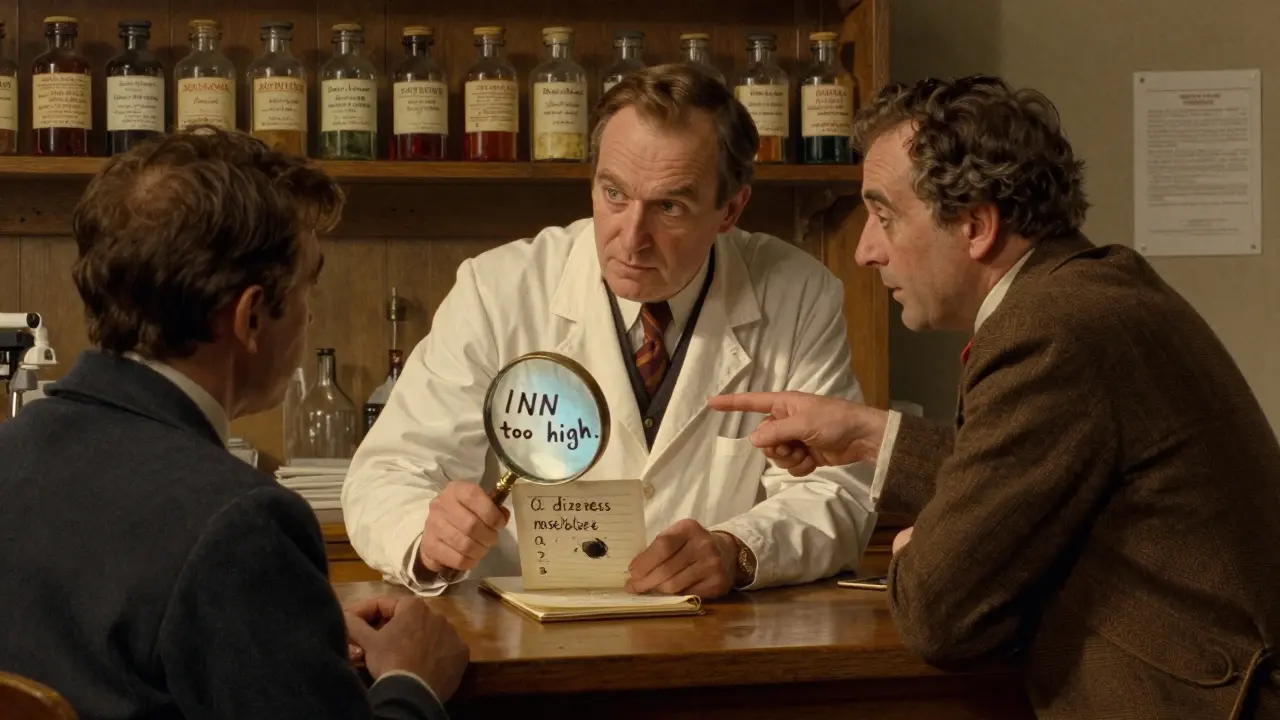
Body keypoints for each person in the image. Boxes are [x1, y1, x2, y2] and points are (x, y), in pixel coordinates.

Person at [711, 75, 1280, 718]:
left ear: (976, 225)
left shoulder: (1046, 331)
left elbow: (940, 617)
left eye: (884, 215)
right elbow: (1037, 469)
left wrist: (914, 550)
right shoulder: (1089, 288)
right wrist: (869, 433)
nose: (867, 250)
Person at [342, 64, 877, 600]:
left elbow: (837, 489)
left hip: (713, 638)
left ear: (730, 209)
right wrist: (427, 535)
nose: (631, 239)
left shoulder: (800, 294)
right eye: (614, 194)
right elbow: (390, 470)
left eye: (669, 206)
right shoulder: (499, 289)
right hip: (525, 635)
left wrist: (737, 549)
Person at [0, 129, 469, 719]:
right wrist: (412, 681)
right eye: (307, 285)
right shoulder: (240, 524)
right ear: (251, 318)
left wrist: (287, 624)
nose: (311, 312)